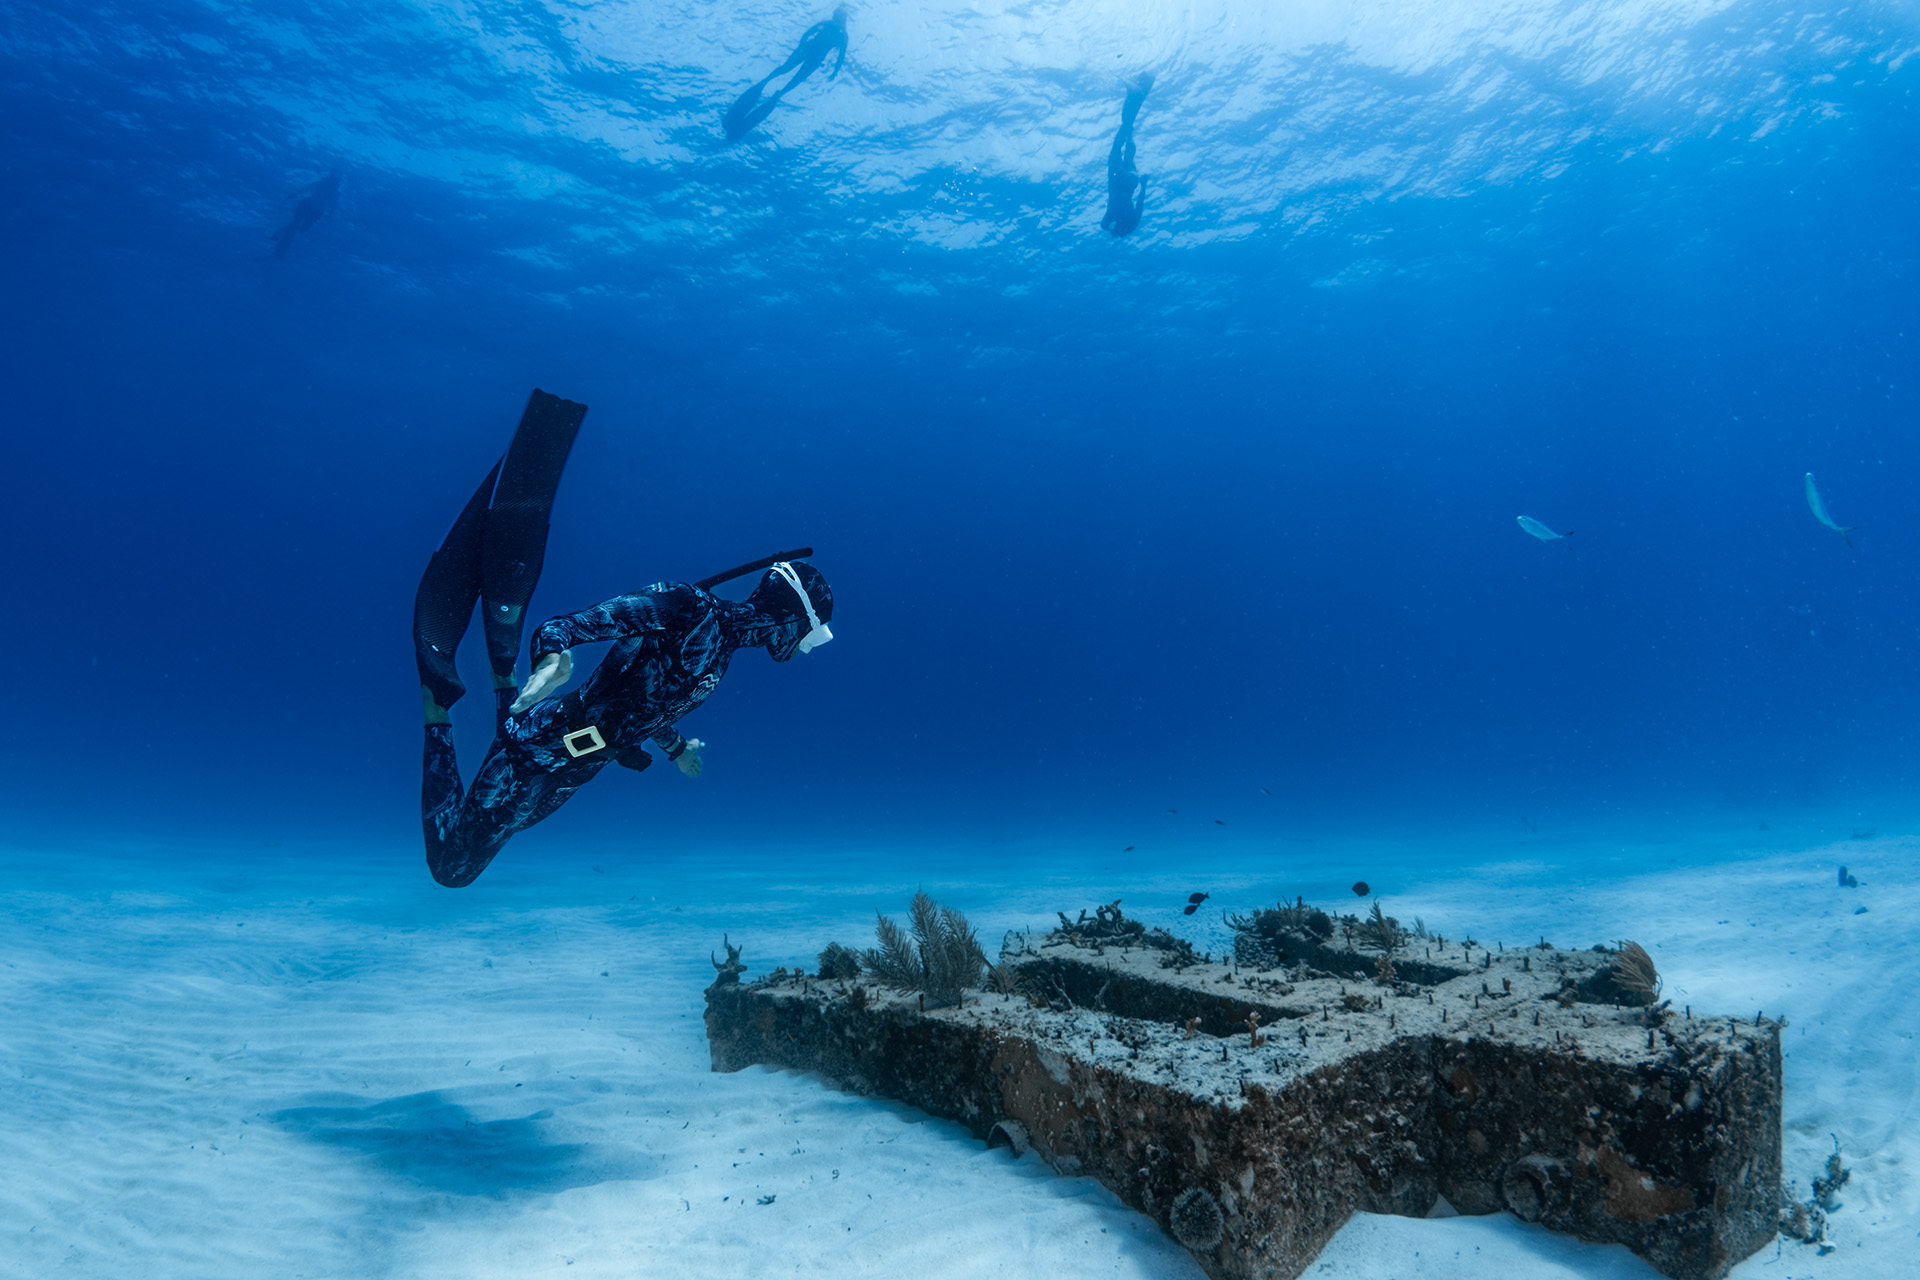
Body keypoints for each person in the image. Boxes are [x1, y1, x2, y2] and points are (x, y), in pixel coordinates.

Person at [412, 390, 835, 887]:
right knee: (452, 870)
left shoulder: (723, 651)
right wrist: (552, 659)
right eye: (810, 635)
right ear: (793, 615)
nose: (804, 647)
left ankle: (507, 694)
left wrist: (676, 749)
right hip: (545, 743)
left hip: (579, 765)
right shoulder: (686, 605)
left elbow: (650, 704)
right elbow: (565, 626)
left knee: (501, 831)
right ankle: (438, 708)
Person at [723, 7, 850, 142]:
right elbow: (809, 33)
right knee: (786, 70)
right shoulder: (831, 27)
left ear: (841, 18)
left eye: (837, 16)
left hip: (813, 57)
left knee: (796, 79)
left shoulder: (840, 33)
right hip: (808, 51)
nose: (835, 18)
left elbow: (840, 56)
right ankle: (766, 85)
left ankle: (776, 92)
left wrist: (834, 71)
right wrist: (803, 45)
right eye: (836, 15)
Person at [1101, 76, 1153, 238]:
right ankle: (1133, 103)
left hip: (1132, 181)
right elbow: (1104, 225)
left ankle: (1130, 127)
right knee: (1116, 149)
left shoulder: (1133, 223)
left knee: (1129, 158)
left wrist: (1144, 185)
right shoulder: (1109, 221)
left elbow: (1140, 204)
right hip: (1117, 182)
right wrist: (1109, 229)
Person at [271, 171, 339, 258]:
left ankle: (279, 235)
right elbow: (333, 204)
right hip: (311, 207)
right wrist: (329, 214)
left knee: (297, 226)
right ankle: (280, 242)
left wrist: (294, 194)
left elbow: (306, 188)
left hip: (312, 208)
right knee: (296, 226)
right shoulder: (324, 186)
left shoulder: (329, 188)